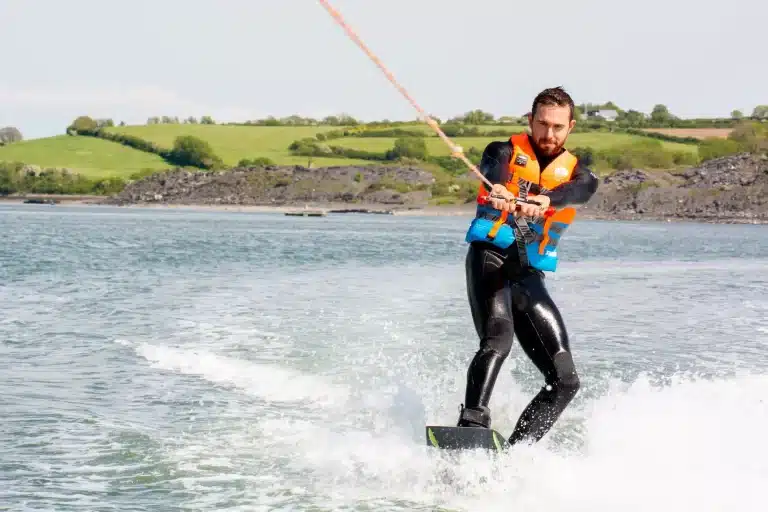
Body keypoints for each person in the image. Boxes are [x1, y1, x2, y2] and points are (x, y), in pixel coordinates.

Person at [457, 86, 599, 446]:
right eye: (542, 124)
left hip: (527, 274)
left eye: (557, 127)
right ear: (530, 121)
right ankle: (471, 426)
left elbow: (577, 191)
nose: (549, 134)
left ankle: (516, 452)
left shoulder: (582, 175)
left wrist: (545, 199)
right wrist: (501, 189)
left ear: (570, 127)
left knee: (565, 380)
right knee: (498, 339)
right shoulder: (502, 151)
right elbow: (495, 169)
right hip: (491, 257)